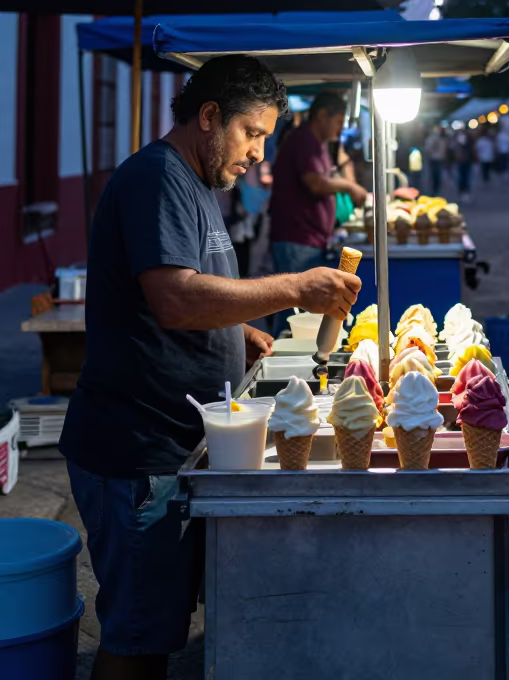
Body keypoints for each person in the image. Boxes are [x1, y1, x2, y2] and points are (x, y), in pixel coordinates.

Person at [59, 56, 361, 680]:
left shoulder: (196, 184)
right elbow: (174, 298)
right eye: (252, 133)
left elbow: (194, 291)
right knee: (137, 639)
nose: (257, 152)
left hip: (179, 444)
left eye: (266, 139)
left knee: (158, 625)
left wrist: (239, 329)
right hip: (136, 451)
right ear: (208, 117)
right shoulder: (155, 179)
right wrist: (296, 289)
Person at [269, 91, 368, 333]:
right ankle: (281, 364)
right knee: (294, 315)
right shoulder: (303, 139)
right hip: (297, 239)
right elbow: (315, 182)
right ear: (322, 116)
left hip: (310, 239)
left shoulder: (320, 144)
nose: (340, 128)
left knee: (302, 314)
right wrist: (350, 186)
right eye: (337, 121)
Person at [425, 126, 447, 196]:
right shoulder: (431, 139)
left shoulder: (441, 140)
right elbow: (428, 149)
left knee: (437, 175)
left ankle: (435, 190)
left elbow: (443, 149)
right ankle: (434, 190)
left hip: (437, 159)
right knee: (434, 175)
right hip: (433, 159)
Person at [454, 128, 475, 201]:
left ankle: (464, 192)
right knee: (464, 177)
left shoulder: (467, 139)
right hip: (463, 160)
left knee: (465, 177)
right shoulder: (463, 138)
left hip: (465, 160)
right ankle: (463, 192)